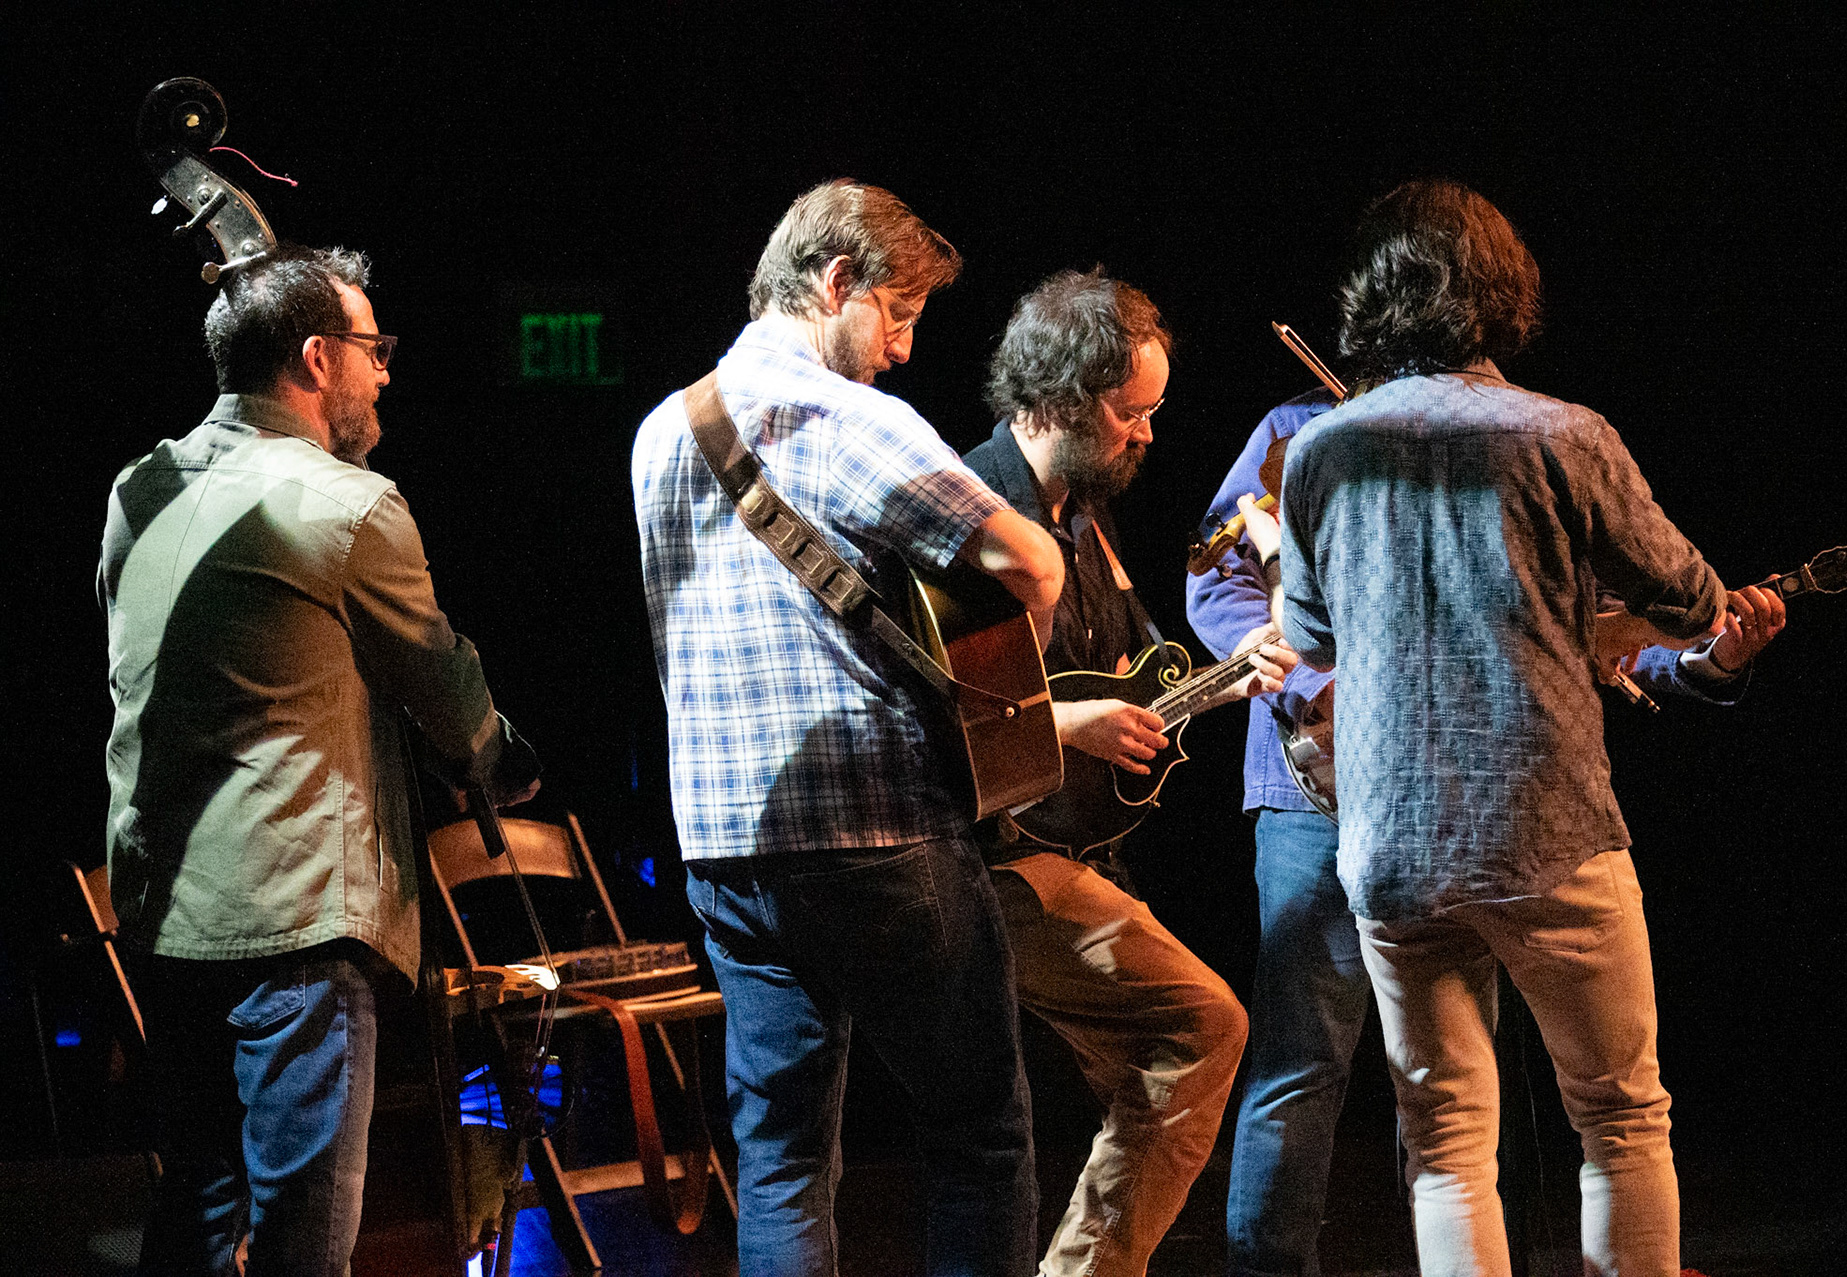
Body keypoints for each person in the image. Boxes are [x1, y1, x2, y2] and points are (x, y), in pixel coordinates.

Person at [1240, 178, 1782, 1275]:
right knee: (1620, 1117)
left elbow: (1309, 630)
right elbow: (1690, 600)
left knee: (1445, 1145)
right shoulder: (1564, 434)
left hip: (1392, 843)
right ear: (1501, 293)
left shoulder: (1323, 449)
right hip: (1549, 830)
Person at [630, 180, 1064, 1275]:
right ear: (837, 284)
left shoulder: (659, 432)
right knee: (979, 1134)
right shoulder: (847, 416)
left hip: (724, 843)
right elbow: (1032, 560)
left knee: (779, 1158)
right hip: (876, 831)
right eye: (898, 314)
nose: (903, 349)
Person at [101, 244, 538, 1276]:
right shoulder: (350, 506)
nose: (384, 371)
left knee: (199, 1209)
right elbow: (446, 690)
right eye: (372, 348)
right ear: (314, 357)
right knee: (307, 1234)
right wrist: (498, 757)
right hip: (298, 927)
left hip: (167, 915)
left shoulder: (138, 490)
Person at [963, 268, 1280, 1277]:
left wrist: (1231, 678)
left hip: (1074, 853)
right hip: (998, 860)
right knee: (1201, 1026)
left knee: (1163, 1074)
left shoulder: (1085, 517)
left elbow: (1142, 683)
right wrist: (1075, 724)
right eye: (1127, 411)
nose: (1146, 434)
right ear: (1057, 396)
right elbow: (952, 718)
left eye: (1152, 411)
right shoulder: (978, 518)